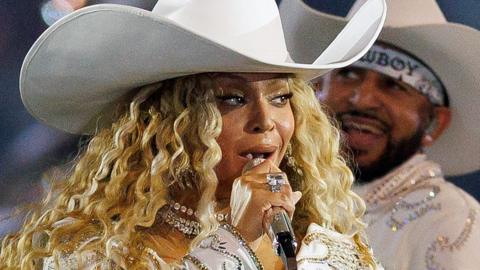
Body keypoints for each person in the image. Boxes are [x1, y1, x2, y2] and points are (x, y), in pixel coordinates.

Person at [0, 0, 387, 269]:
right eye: (232, 99)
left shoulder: (330, 253)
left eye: (281, 97)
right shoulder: (96, 256)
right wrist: (236, 243)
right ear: (167, 123)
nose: (265, 120)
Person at [280, 0, 480, 269]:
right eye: (348, 73)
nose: (362, 99)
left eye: (393, 85)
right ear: (315, 90)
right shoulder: (282, 195)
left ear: (434, 123)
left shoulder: (453, 223)